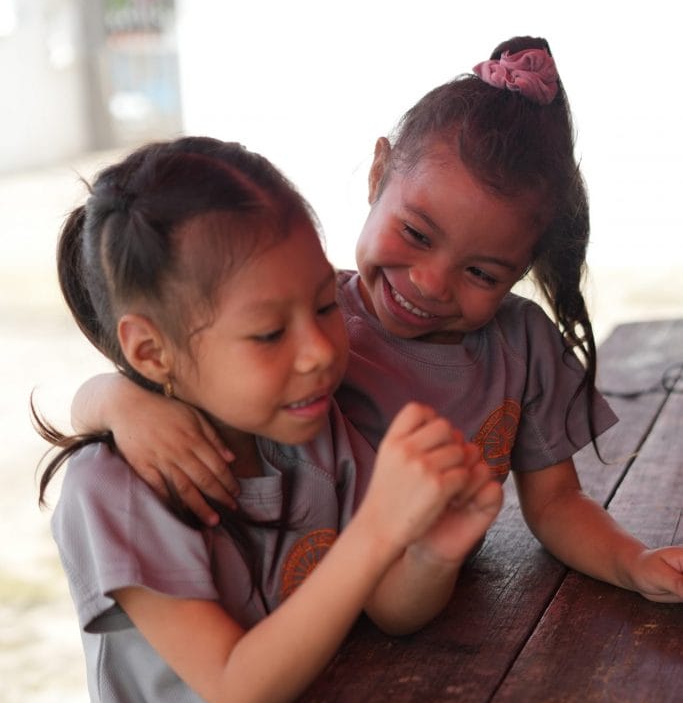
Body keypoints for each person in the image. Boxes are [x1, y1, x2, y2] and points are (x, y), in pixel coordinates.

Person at [20, 136, 502, 703]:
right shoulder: (114, 490)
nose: (317, 351)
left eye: (322, 305)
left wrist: (428, 551)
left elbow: (392, 610)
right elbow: (242, 692)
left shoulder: (308, 427)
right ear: (152, 354)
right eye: (270, 333)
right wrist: (378, 529)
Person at [70, 36, 683, 603]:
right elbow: (166, 371)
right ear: (377, 172)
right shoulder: (306, 326)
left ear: (522, 269)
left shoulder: (522, 347)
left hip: (424, 619)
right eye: (415, 232)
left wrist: (634, 563)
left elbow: (556, 503)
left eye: (483, 274)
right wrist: (119, 402)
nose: (431, 283)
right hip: (296, 627)